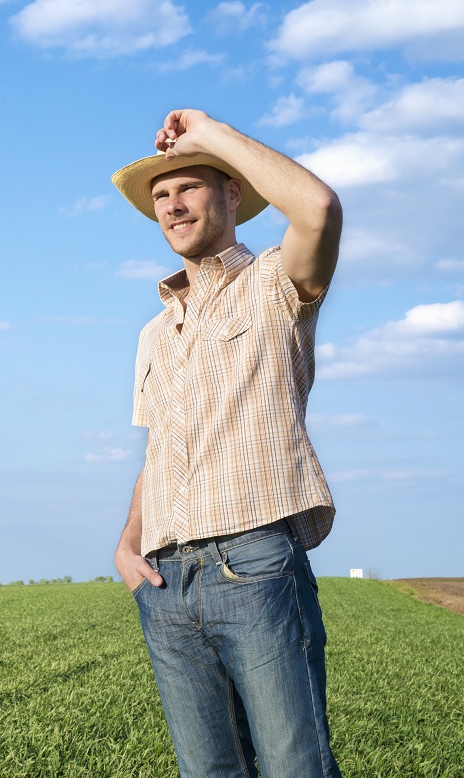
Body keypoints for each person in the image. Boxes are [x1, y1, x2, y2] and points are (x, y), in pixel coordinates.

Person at [110, 108, 343, 778]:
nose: (172, 205)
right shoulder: (155, 333)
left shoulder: (273, 283)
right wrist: (129, 542)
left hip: (255, 563)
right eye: (160, 196)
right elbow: (159, 451)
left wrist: (207, 131)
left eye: (188, 187)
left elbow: (319, 207)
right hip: (166, 580)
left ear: (232, 193)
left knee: (296, 767)